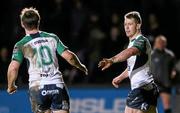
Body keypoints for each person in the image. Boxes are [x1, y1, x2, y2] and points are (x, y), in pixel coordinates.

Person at [7, 7, 88, 113]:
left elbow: (13, 68)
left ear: (22, 24)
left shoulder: (21, 44)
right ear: (38, 21)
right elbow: (70, 57)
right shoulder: (52, 38)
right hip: (57, 84)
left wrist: (11, 85)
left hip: (37, 87)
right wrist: (81, 66)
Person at [98, 11, 159, 113]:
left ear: (138, 25)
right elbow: (133, 66)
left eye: (130, 24)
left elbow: (130, 52)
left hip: (141, 89)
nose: (126, 27)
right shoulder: (132, 43)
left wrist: (112, 60)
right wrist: (120, 77)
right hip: (149, 89)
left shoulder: (141, 41)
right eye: (125, 24)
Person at [151, 35, 176, 113]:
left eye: (163, 42)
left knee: (167, 105)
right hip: (153, 85)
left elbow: (174, 67)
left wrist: (174, 72)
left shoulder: (170, 55)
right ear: (155, 43)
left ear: (166, 43)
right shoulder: (151, 54)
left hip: (166, 84)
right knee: (151, 105)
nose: (161, 44)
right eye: (159, 42)